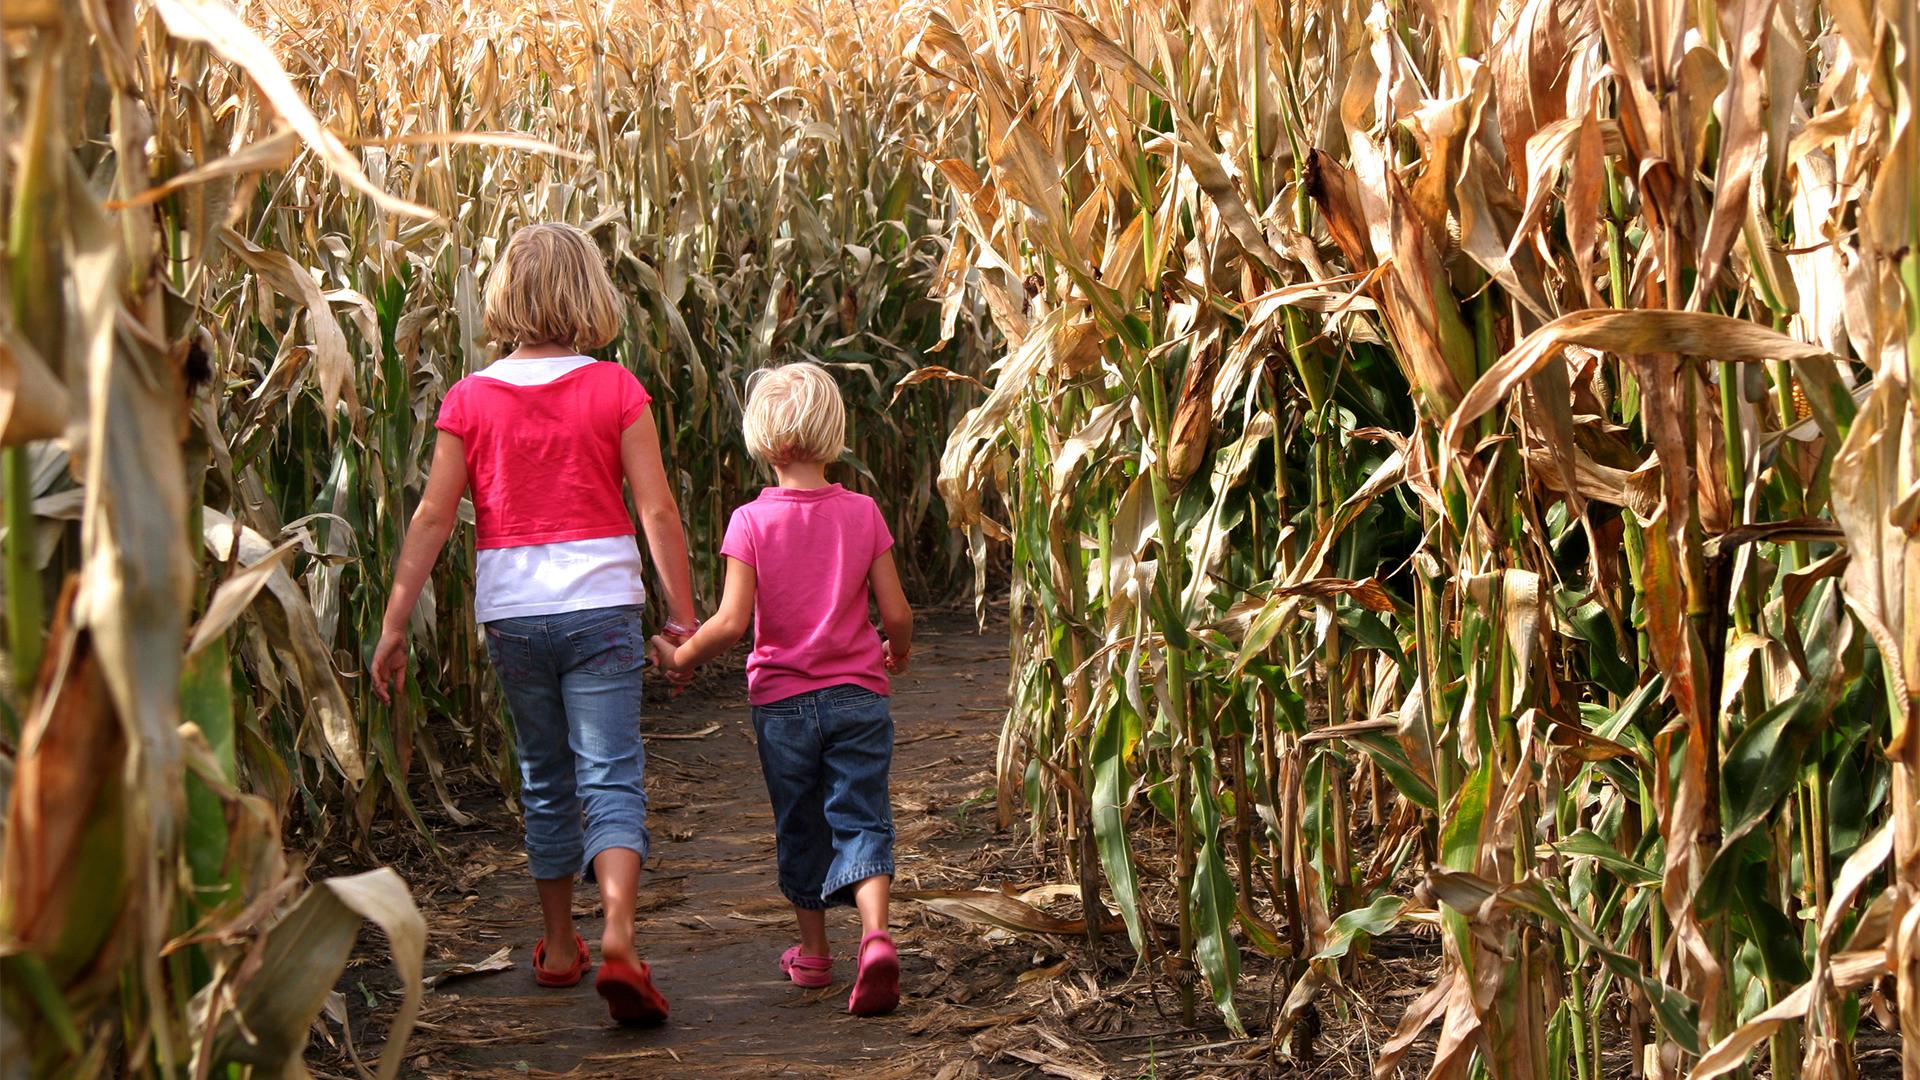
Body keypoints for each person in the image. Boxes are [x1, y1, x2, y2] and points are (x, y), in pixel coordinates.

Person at [369, 222, 697, 1025]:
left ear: (507, 296)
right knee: (610, 772)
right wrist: (686, 613)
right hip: (602, 607)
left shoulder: (470, 398)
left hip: (514, 614)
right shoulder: (616, 388)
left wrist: (393, 623)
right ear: (591, 292)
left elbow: (432, 518)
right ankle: (617, 931)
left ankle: (557, 948)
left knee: (545, 778)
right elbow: (655, 509)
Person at [649, 361, 912, 1016]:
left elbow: (733, 624)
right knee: (861, 815)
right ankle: (875, 937)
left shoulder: (749, 522)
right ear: (833, 435)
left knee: (800, 824)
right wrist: (896, 650)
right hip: (858, 694)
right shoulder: (862, 512)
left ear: (761, 439)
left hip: (783, 706)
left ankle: (816, 956)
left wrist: (682, 656)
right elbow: (898, 612)